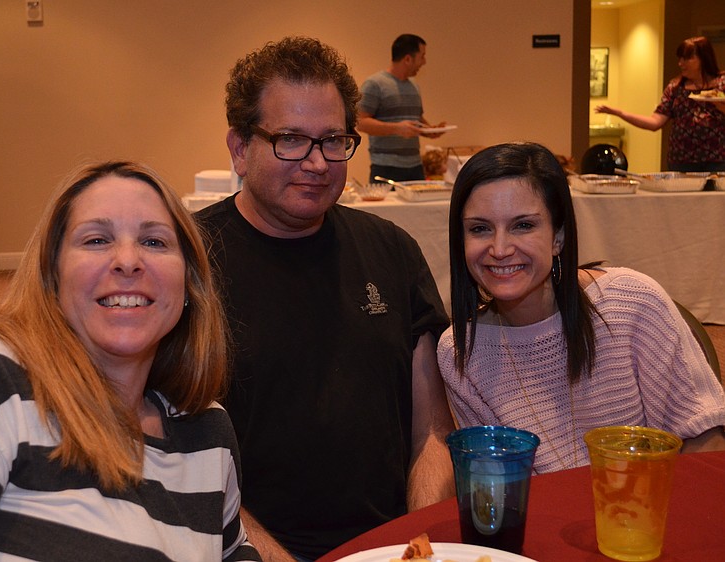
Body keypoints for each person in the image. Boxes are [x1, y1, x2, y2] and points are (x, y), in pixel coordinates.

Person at [0, 161, 261, 561]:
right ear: (52, 277)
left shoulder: (205, 432)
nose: (128, 260)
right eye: (96, 240)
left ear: (188, 285)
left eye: (154, 242)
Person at [195, 36, 455, 562]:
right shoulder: (189, 266)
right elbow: (180, 459)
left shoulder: (392, 250)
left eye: (333, 140)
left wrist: (414, 542)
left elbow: (432, 430)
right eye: (291, 139)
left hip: (390, 547)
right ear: (240, 149)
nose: (317, 162)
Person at [438, 141, 725, 475]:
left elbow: (706, 438)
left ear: (558, 236)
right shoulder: (460, 352)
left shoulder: (632, 305)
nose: (500, 249)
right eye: (480, 228)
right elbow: (503, 488)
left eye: (523, 225)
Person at [595, 36, 725, 172]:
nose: (681, 63)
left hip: (718, 159)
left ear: (703, 59)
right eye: (680, 59)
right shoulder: (675, 87)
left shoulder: (721, 84)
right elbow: (654, 122)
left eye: (686, 58)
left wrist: (720, 106)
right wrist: (620, 113)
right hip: (682, 160)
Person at [356, 33, 448, 183]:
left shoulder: (414, 86)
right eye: (422, 56)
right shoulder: (375, 84)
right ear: (407, 59)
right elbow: (360, 122)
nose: (424, 62)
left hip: (415, 166)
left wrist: (430, 130)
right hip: (385, 167)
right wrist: (397, 128)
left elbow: (415, 119)